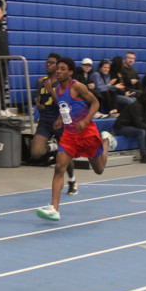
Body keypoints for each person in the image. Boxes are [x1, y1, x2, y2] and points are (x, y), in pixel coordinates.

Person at [36, 57, 108, 221]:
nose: (58, 71)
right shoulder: (57, 89)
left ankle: (105, 140)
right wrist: (60, 120)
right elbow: (65, 107)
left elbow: (95, 103)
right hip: (69, 136)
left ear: (70, 72)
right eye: (57, 69)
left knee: (99, 170)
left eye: (63, 69)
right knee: (59, 167)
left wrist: (86, 120)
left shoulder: (77, 86)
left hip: (86, 133)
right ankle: (54, 209)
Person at [29, 54, 77, 194]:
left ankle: (72, 180)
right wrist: (38, 104)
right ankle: (54, 146)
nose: (48, 64)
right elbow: (38, 96)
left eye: (51, 62)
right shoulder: (42, 81)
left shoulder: (64, 83)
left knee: (65, 158)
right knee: (35, 153)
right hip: (45, 121)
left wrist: (51, 90)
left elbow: (64, 104)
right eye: (47, 62)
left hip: (60, 121)